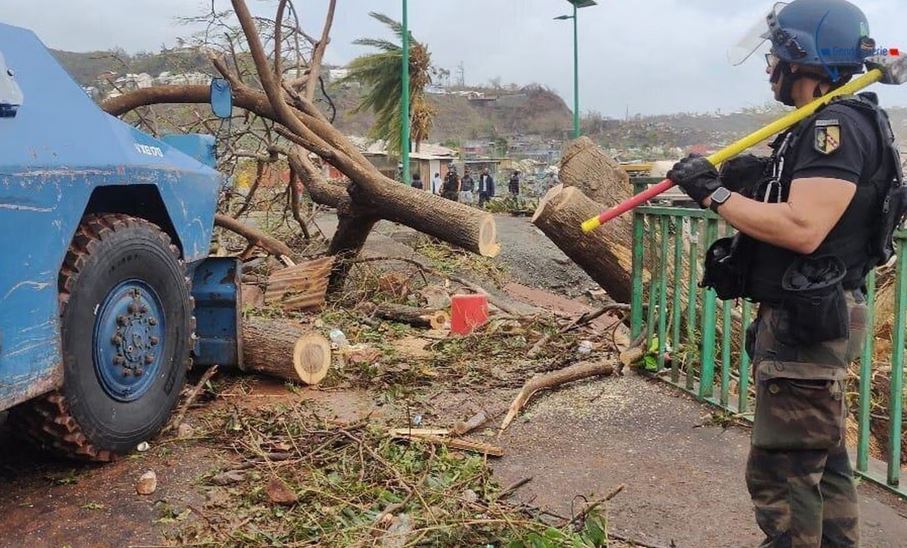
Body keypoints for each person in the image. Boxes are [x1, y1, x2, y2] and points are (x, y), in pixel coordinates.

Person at [667, 1, 901, 545]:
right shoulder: (828, 124)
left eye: (776, 54)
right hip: (809, 319)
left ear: (803, 60)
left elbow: (802, 228)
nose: (769, 65)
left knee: (784, 476)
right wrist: (750, 181)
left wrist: (713, 193)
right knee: (822, 464)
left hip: (809, 324)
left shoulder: (835, 127)